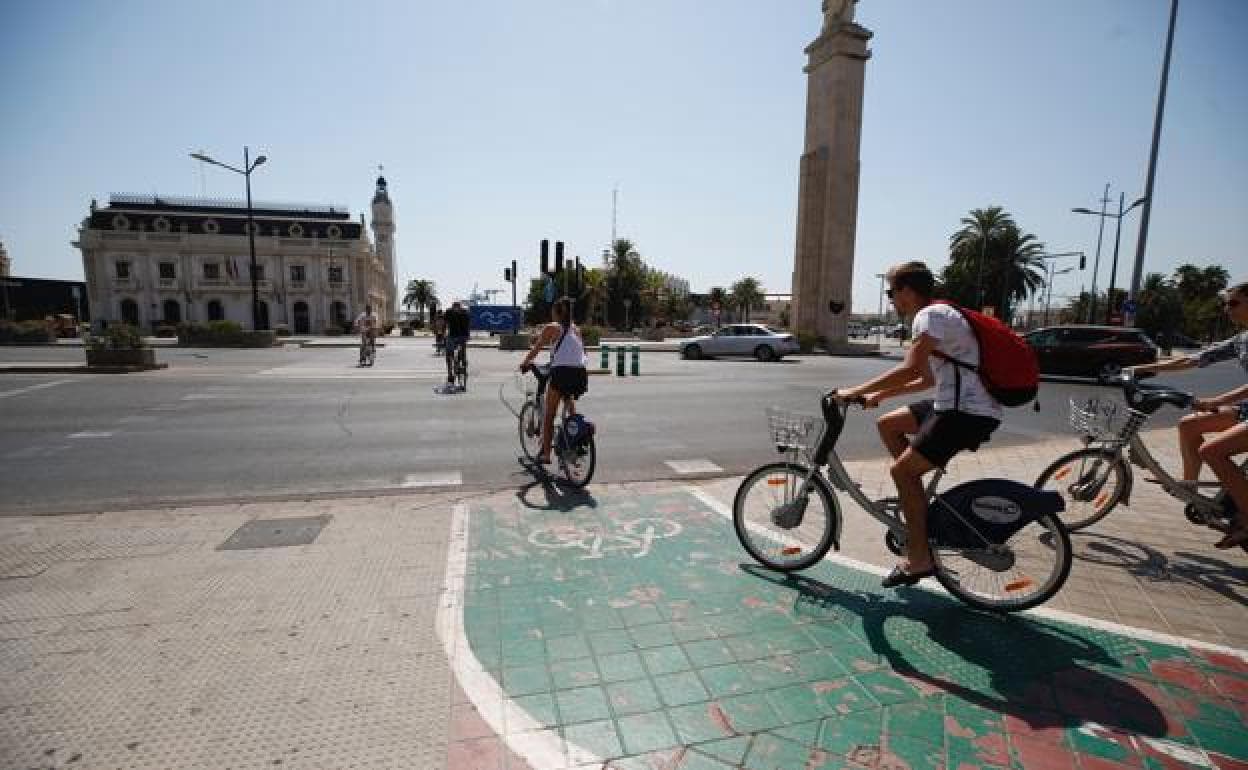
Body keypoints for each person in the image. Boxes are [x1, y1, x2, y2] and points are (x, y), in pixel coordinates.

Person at [835, 261, 1003, 587]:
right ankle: (916, 500)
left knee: (901, 472)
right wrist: (881, 395)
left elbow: (911, 370)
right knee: (888, 425)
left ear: (907, 291)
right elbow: (925, 378)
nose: (890, 300)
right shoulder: (938, 314)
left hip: (965, 412)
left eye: (890, 292)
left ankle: (920, 558)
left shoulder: (929, 317)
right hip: (953, 404)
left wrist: (855, 391)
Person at [1129, 281, 1248, 548]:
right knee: (1188, 425)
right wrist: (1138, 368)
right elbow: (1193, 359)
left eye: (1234, 303)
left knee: (1212, 451)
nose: (1227, 309)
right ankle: (1189, 487)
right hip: (1246, 410)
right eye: (1226, 304)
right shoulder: (1241, 340)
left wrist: (1217, 400)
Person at [518, 297, 589, 465]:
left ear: (557, 312)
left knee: (549, 416)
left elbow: (536, 349)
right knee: (569, 401)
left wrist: (525, 363)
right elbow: (583, 354)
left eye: (553, 310)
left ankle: (546, 455)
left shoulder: (552, 328)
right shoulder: (576, 330)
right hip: (580, 374)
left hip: (561, 373)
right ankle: (575, 434)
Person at [443, 301, 471, 385]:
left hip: (452, 336)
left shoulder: (449, 312)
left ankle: (450, 374)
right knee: (462, 353)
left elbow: (445, 323)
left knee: (449, 355)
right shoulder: (466, 312)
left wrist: (444, 335)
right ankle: (463, 364)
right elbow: (468, 325)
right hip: (463, 336)